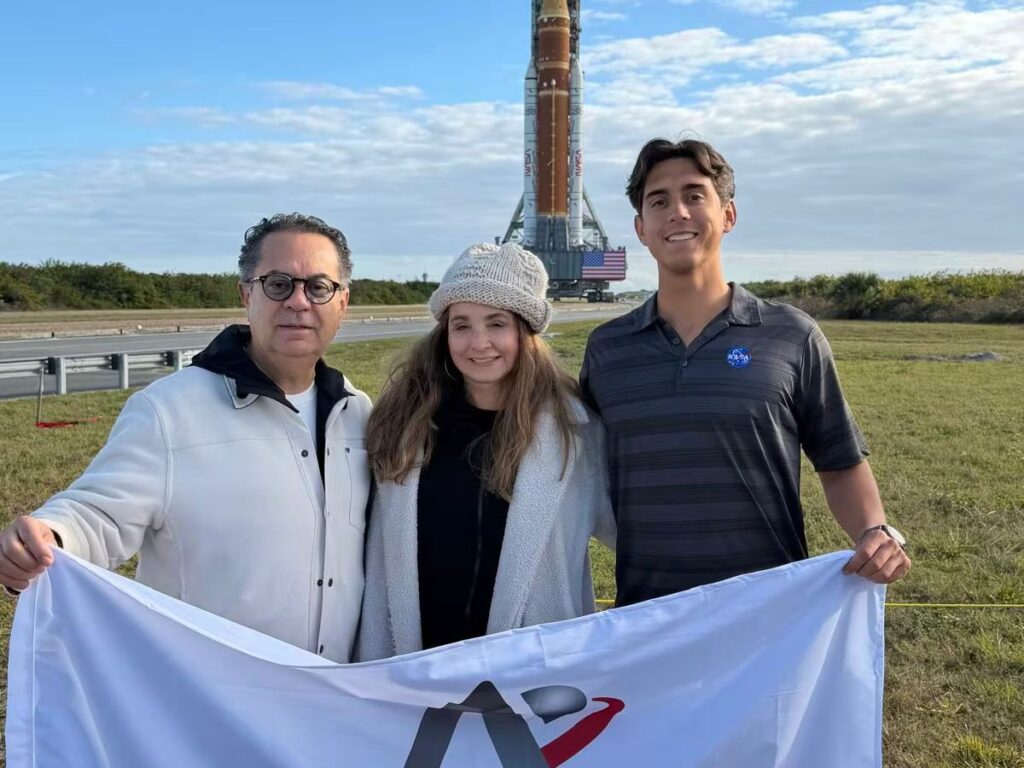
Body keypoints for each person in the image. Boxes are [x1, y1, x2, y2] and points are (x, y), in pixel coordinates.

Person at [0, 213, 372, 663]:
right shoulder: (168, 411)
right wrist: (49, 536)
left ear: (342, 301)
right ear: (246, 294)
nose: (298, 301)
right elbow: (98, 513)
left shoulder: (359, 413)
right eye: (278, 284)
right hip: (209, 701)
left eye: (317, 286)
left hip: (334, 697)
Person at [581, 138, 911, 607]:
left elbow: (839, 461)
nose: (677, 212)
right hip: (646, 620)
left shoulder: (792, 335)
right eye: (659, 201)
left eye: (695, 195)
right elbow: (571, 468)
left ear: (728, 215)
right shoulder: (607, 349)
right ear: (641, 227)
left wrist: (873, 531)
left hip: (768, 614)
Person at [356, 243, 615, 660]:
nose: (478, 343)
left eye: (496, 323)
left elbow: (637, 532)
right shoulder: (402, 421)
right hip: (414, 663)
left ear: (525, 332)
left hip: (532, 667)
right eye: (461, 325)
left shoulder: (575, 431)